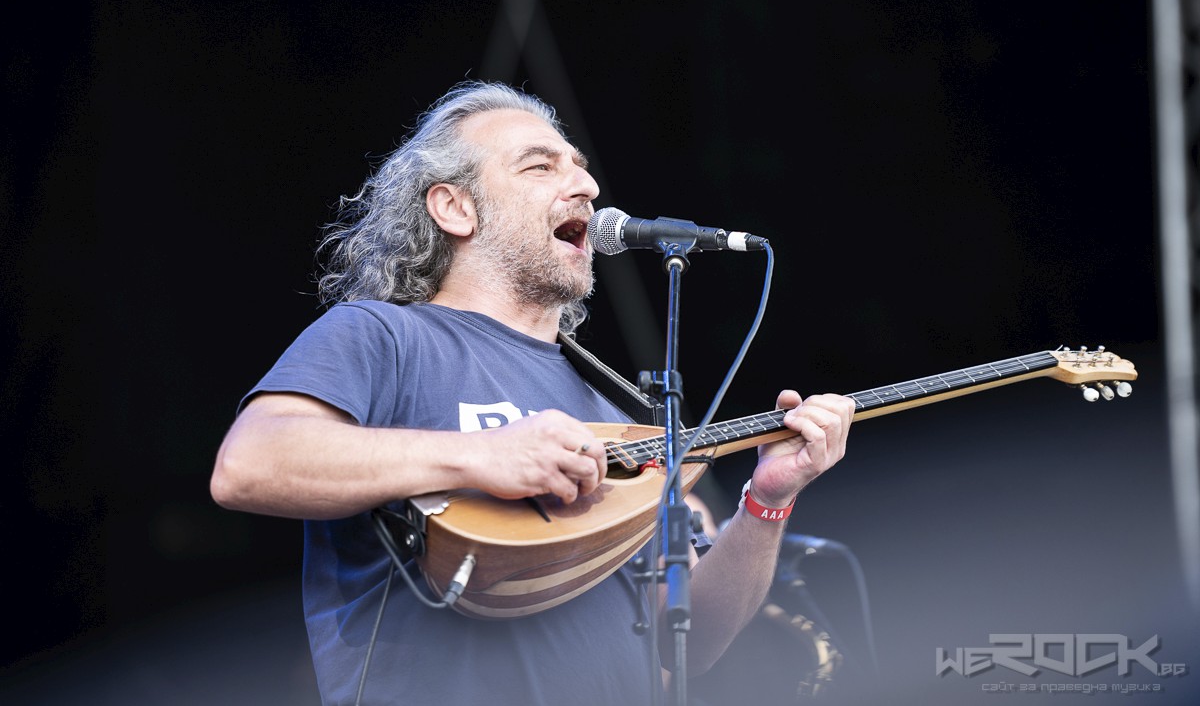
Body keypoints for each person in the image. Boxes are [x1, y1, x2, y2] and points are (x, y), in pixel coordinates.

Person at [209, 80, 854, 706]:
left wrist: (768, 501)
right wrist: (482, 455)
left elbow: (687, 639)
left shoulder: (615, 411)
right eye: (539, 166)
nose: (587, 187)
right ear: (454, 208)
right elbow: (250, 465)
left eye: (580, 166)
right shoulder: (384, 336)